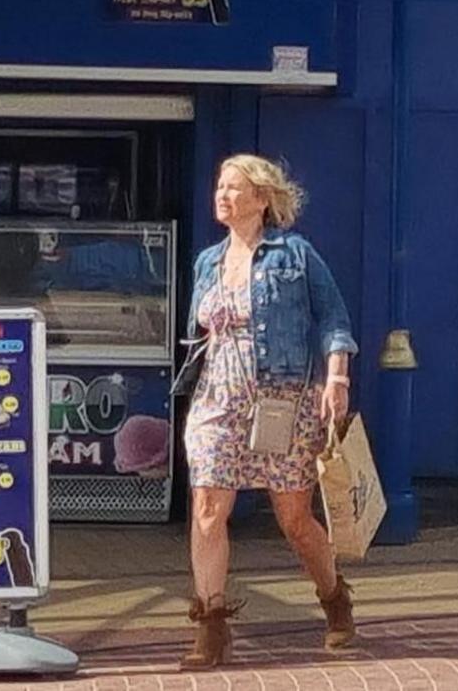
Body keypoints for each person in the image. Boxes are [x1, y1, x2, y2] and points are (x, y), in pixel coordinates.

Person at [180, 154, 358, 668]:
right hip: (218, 399)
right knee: (208, 508)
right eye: (219, 186)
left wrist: (337, 377)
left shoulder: (295, 255)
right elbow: (202, 333)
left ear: (261, 198)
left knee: (294, 519)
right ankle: (211, 627)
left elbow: (333, 317)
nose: (222, 195)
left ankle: (334, 599)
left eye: (234, 188)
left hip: (282, 400)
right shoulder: (207, 262)